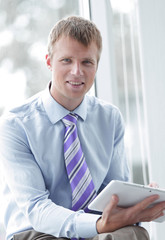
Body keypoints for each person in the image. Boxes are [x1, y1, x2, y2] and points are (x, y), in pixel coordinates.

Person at [0, 16, 165, 240]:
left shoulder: (110, 118)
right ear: (49, 61)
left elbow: (113, 192)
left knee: (133, 234)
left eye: (87, 62)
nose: (77, 71)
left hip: (97, 227)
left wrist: (137, 204)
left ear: (97, 65)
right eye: (67, 60)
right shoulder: (15, 123)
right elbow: (37, 208)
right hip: (38, 231)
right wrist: (97, 225)